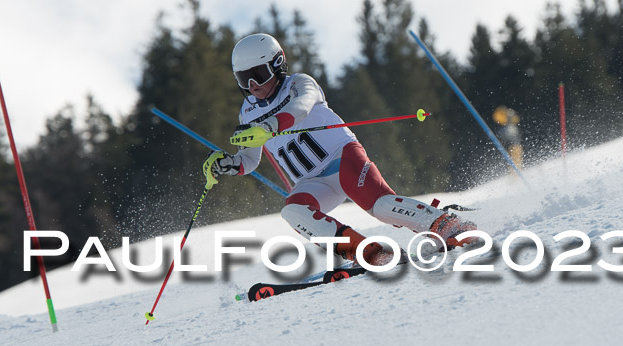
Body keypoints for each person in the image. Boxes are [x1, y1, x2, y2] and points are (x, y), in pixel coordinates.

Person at [204, 33, 476, 266]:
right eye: (244, 79)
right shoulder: (248, 111)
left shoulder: (299, 84)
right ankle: (370, 252)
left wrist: (270, 125)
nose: (253, 86)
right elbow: (250, 159)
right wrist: (230, 163)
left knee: (380, 205)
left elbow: (301, 108)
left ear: (277, 65)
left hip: (341, 157)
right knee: (293, 211)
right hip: (312, 181)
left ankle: (444, 223)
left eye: (258, 75)